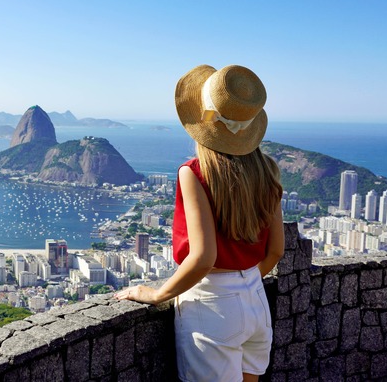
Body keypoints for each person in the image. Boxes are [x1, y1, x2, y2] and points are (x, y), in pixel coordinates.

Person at [114, 64, 284, 382]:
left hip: (212, 307)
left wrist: (156, 294)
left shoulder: (193, 172)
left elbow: (203, 258)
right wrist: (243, 282)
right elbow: (275, 251)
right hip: (256, 300)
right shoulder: (268, 169)